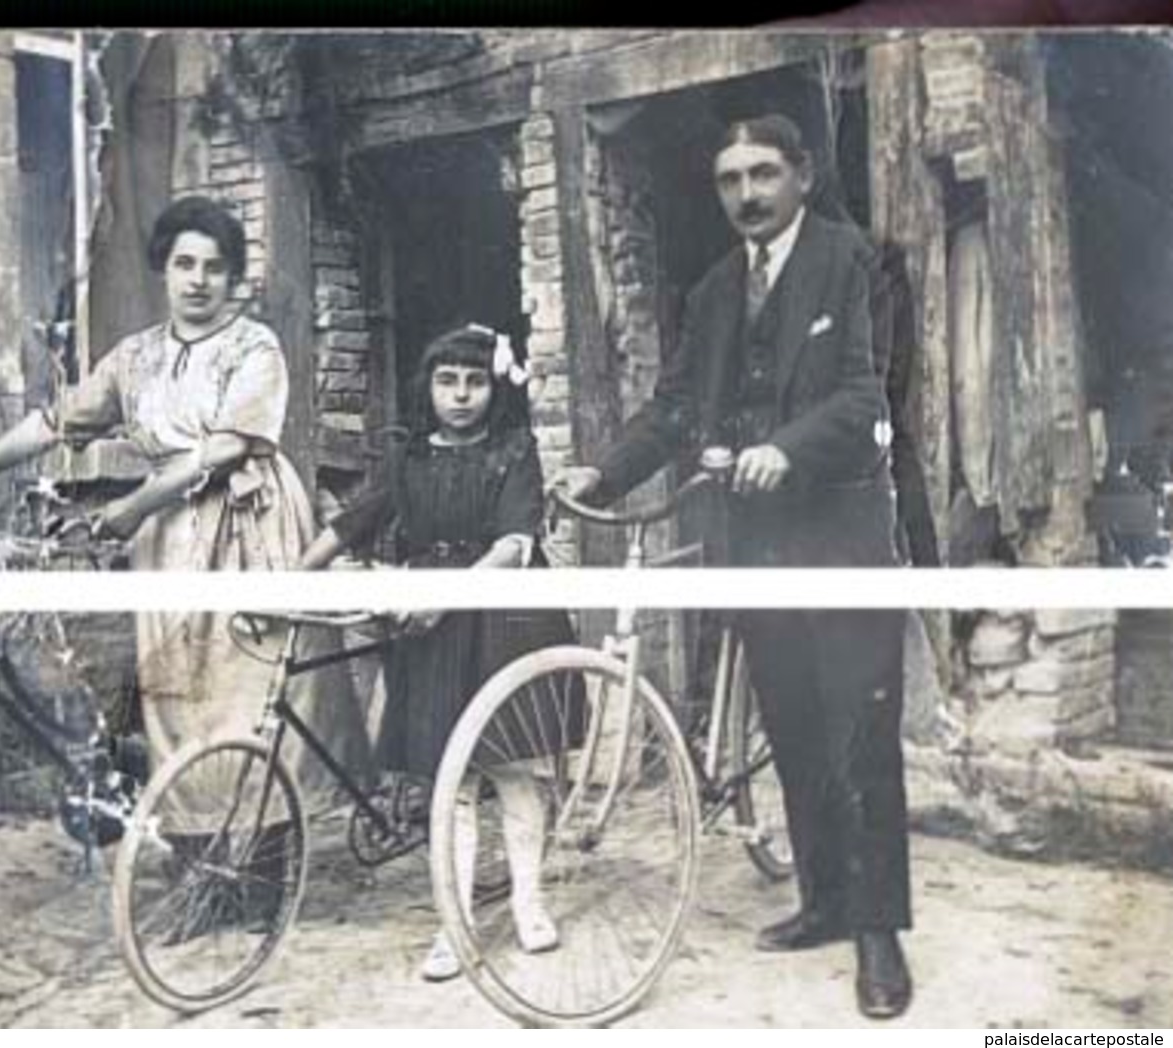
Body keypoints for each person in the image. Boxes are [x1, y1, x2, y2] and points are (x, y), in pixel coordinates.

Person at [0, 196, 371, 915]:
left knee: (248, 701)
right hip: (169, 542)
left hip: (246, 529)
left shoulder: (255, 349)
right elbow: (55, 422)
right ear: (164, 268)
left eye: (215, 269)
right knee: (175, 703)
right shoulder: (135, 358)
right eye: (185, 264)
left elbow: (224, 448)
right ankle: (199, 880)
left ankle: (261, 884)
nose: (198, 281)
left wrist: (129, 508)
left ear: (232, 280)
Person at [557, 115, 913, 1020]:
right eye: (728, 180)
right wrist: (602, 467)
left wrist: (788, 448)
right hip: (751, 539)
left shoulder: (850, 259)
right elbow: (674, 407)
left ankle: (878, 935)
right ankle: (825, 902)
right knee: (792, 722)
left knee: (858, 731)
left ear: (799, 175)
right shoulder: (714, 289)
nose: (746, 194)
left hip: (838, 534)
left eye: (762, 174)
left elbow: (866, 396)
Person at [300, 323, 579, 983]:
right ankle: (453, 925)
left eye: (475, 381)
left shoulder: (515, 452)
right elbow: (351, 522)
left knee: (512, 769)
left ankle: (528, 903)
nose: (460, 395)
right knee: (448, 785)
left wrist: (444, 597)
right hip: (431, 634)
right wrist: (291, 576)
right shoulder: (406, 459)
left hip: (503, 619)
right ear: (427, 387)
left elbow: (513, 546)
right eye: (447, 380)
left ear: (492, 389)